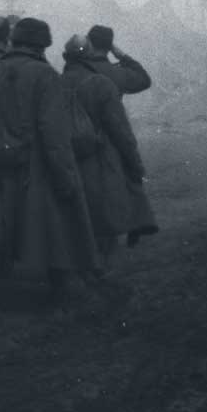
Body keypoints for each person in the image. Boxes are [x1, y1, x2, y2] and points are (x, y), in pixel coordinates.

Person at [0, 17, 98, 319]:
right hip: (34, 170)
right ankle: (60, 294)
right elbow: (54, 133)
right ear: (42, 45)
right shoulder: (46, 76)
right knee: (52, 229)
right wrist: (65, 175)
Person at [61, 35, 157, 268]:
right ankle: (105, 282)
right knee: (106, 227)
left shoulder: (56, 82)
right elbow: (121, 132)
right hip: (102, 161)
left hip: (68, 162)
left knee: (79, 228)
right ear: (90, 54)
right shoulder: (101, 83)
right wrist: (136, 165)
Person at [85, 25, 152, 96]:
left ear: (87, 43)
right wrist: (123, 56)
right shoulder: (118, 74)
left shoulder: (76, 66)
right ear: (110, 47)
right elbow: (145, 80)